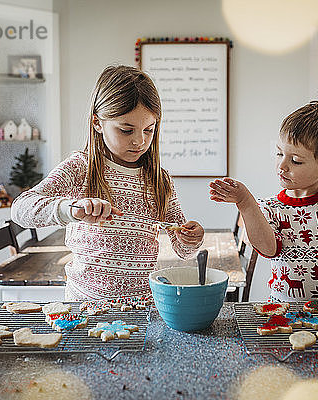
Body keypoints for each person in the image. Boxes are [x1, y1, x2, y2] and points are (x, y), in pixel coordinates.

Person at [12, 65, 204, 301]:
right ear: (97, 123)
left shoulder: (160, 180)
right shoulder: (80, 167)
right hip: (84, 307)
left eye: (149, 130)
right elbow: (21, 208)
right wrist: (71, 209)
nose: (140, 141)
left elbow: (183, 250)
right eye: (126, 130)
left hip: (140, 309)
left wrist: (190, 239)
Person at [209, 100, 318, 302]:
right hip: (283, 313)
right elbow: (268, 249)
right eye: (279, 153)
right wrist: (245, 202)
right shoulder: (270, 207)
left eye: (295, 160)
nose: (282, 165)